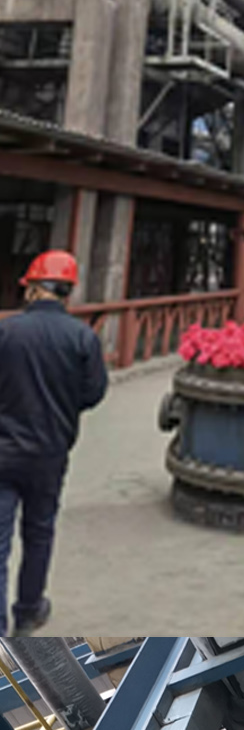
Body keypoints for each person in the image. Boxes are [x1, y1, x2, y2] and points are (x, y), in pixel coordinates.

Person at [0, 251, 108, 632]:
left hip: (3, 450)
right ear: (67, 292)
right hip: (50, 452)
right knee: (39, 531)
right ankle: (29, 611)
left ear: (32, 287)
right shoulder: (82, 337)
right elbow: (93, 393)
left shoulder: (6, 332)